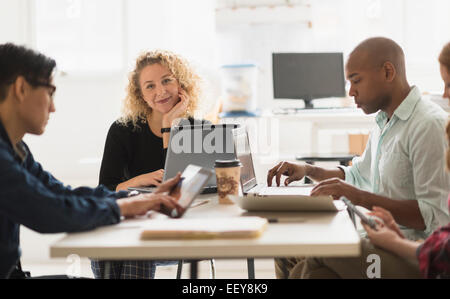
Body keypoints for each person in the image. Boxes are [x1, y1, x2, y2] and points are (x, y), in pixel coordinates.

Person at [267, 37, 450, 278]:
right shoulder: (385, 121)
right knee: (313, 273)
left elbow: (434, 216)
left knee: (317, 251)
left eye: (356, 80)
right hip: (383, 242)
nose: (351, 91)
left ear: (387, 72)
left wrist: (358, 197)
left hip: (416, 255)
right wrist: (309, 170)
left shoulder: (428, 125)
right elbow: (355, 175)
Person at [0, 43, 183, 279]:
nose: (53, 107)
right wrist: (123, 207)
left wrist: (138, 198)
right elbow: (48, 211)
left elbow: (61, 194)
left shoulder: (16, 150)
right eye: (50, 92)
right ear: (21, 88)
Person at [91, 50, 205, 279]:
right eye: (150, 86)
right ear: (141, 94)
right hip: (133, 224)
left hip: (180, 230)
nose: (160, 91)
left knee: (136, 249)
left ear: (181, 84)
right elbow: (104, 189)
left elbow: (180, 187)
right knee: (102, 250)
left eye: (167, 81)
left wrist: (168, 126)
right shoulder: (122, 130)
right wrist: (136, 181)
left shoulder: (199, 130)